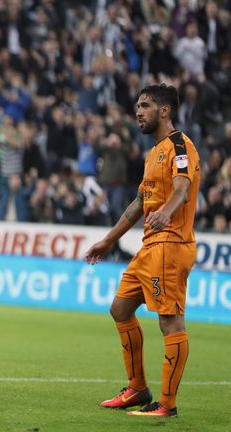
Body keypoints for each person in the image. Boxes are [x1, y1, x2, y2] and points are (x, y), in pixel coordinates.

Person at [84, 84, 200, 417]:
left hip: (171, 242)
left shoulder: (181, 145)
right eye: (137, 105)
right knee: (120, 309)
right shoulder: (153, 153)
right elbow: (139, 203)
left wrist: (168, 210)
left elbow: (182, 186)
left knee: (170, 323)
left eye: (145, 105)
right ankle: (137, 388)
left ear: (165, 111)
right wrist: (108, 240)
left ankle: (166, 404)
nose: (138, 111)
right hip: (150, 245)